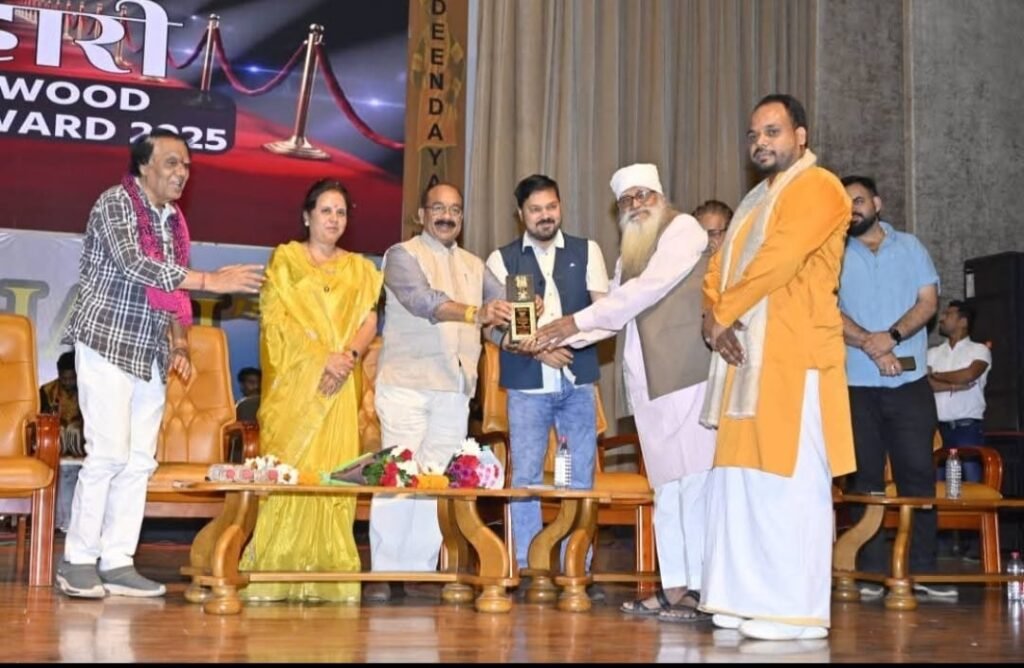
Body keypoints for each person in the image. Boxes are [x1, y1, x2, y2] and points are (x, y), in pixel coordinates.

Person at [57, 129, 264, 599]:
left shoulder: (172, 221)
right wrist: (210, 279)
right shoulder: (115, 203)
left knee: (138, 462)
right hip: (108, 341)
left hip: (150, 351)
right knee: (108, 454)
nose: (181, 173)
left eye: (186, 165)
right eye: (172, 163)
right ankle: (78, 560)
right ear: (143, 166)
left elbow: (171, 292)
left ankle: (117, 560)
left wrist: (180, 344)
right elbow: (135, 264)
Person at [698, 94, 856, 640]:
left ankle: (795, 609)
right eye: (753, 134)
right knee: (739, 481)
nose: (760, 142)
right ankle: (742, 596)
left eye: (772, 131)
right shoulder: (752, 202)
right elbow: (718, 267)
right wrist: (713, 316)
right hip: (744, 360)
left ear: (800, 136)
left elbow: (781, 259)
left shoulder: (819, 186)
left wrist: (723, 313)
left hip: (795, 358)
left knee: (788, 484)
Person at [530, 164, 716, 623]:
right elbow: (612, 315)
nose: (636, 205)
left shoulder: (684, 230)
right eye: (626, 200)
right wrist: (554, 336)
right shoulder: (628, 253)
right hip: (649, 385)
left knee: (694, 482)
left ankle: (702, 589)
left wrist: (571, 324)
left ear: (660, 195)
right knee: (666, 488)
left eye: (643, 195)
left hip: (687, 376)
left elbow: (645, 292)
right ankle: (674, 586)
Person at [365, 182, 513, 603]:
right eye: (438, 208)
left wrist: (527, 318)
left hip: (455, 388)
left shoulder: (474, 264)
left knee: (436, 480)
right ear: (421, 215)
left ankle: (419, 570)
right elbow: (423, 301)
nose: (447, 216)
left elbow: (500, 311)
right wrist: (478, 313)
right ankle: (384, 574)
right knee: (398, 478)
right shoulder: (401, 255)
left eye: (455, 210)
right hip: (407, 384)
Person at [237, 178, 381, 603]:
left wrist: (347, 357)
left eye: (341, 212)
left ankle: (329, 578)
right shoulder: (286, 260)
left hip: (341, 387)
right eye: (326, 210)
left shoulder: (361, 270)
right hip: (298, 388)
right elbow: (277, 324)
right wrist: (323, 359)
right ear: (307, 216)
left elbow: (369, 320)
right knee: (290, 473)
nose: (334, 219)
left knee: (333, 477)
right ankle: (274, 574)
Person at [484, 174, 609, 579]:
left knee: (577, 477)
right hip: (527, 389)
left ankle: (575, 566)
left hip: (577, 385)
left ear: (561, 207)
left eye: (551, 207)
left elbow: (604, 315)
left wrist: (561, 340)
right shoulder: (500, 260)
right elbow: (491, 328)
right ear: (520, 214)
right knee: (526, 478)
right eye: (535, 209)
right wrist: (538, 348)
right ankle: (527, 567)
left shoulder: (587, 251)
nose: (545, 216)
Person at [838, 174, 951, 599]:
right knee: (863, 480)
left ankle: (922, 572)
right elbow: (825, 309)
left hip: (910, 384)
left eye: (858, 200)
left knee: (917, 476)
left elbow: (928, 302)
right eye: (845, 203)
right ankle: (869, 572)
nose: (852, 209)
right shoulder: (832, 252)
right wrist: (872, 344)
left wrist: (892, 337)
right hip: (856, 385)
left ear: (877, 203)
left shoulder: (910, 246)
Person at [928, 299, 991, 471]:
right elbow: (927, 384)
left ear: (963, 321)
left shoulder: (979, 350)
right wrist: (953, 386)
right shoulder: (933, 353)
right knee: (938, 482)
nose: (942, 318)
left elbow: (968, 375)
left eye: (948, 314)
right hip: (938, 430)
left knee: (973, 480)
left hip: (967, 429)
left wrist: (936, 375)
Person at [40, 350, 86, 458]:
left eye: (72, 378)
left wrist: (81, 426)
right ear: (59, 374)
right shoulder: (47, 391)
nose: (68, 382)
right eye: (64, 379)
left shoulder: (86, 390)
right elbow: (41, 420)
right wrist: (54, 428)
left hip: (81, 439)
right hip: (57, 441)